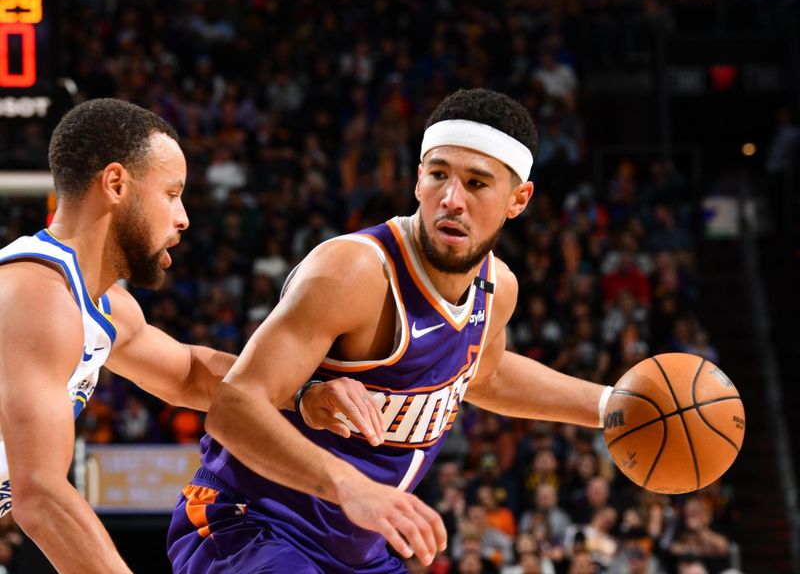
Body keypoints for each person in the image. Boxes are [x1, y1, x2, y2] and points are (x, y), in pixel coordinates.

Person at [167, 88, 615, 572]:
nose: (452, 199)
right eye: (439, 175)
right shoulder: (355, 271)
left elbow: (487, 377)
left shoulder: (497, 287)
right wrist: (348, 485)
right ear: (418, 178)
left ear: (518, 199)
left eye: (477, 184)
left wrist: (611, 406)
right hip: (251, 525)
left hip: (358, 552)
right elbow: (234, 408)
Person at [0, 98, 381, 574]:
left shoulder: (100, 305)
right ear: (116, 184)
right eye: (171, 194)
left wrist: (302, 395)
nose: (183, 218)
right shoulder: (38, 297)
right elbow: (40, 495)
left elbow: (189, 375)